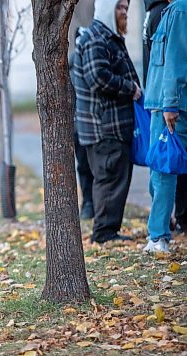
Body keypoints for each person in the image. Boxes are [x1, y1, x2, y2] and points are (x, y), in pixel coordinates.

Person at [73, 0, 142, 244]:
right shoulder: (96, 38)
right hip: (104, 126)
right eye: (119, 7)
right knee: (110, 179)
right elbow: (98, 78)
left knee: (113, 179)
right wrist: (130, 87)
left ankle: (107, 231)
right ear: (106, 8)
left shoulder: (108, 36)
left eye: (126, 7)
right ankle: (104, 234)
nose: (124, 12)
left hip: (111, 125)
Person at [143, 0, 187, 253]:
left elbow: (176, 61)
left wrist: (170, 104)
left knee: (163, 171)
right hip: (159, 104)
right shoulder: (172, 9)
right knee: (158, 170)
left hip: (169, 107)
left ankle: (158, 236)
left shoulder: (180, 8)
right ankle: (158, 233)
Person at [69, 27, 94, 220]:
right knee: (83, 166)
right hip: (77, 125)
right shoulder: (68, 65)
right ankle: (88, 203)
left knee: (97, 167)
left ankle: (95, 203)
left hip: (93, 123)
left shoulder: (93, 61)